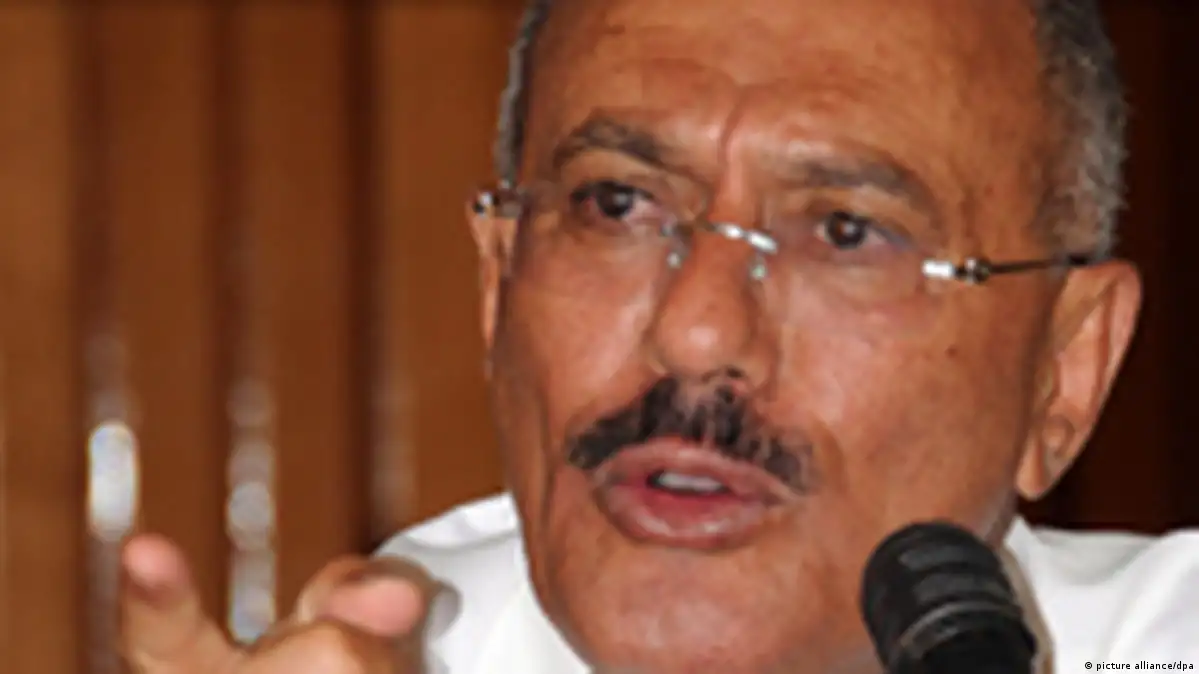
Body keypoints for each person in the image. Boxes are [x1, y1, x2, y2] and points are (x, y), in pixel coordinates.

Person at [120, 0, 1199, 672]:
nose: (693, 331)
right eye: (618, 205)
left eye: (843, 231)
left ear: (1063, 372)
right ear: (497, 285)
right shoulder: (410, 649)